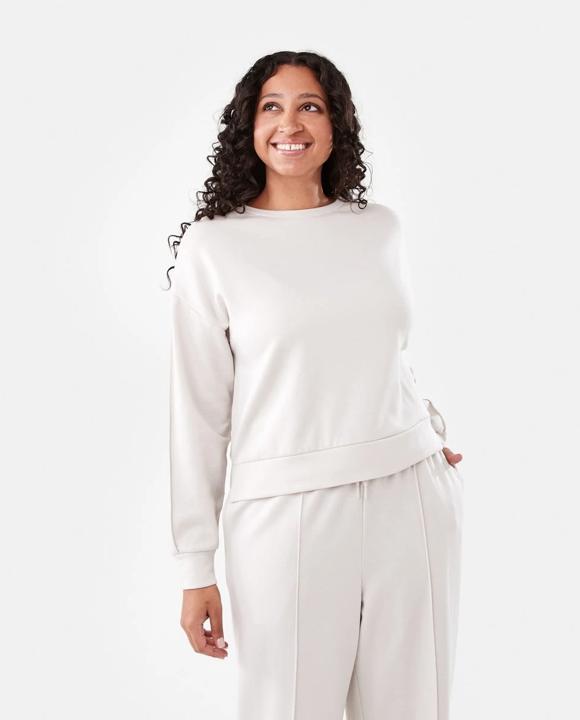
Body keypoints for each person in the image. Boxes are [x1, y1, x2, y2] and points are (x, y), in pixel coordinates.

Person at [165, 50, 465, 720]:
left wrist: (425, 427)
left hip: (410, 493)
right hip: (283, 510)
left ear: (337, 125)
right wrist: (195, 565)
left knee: (414, 707)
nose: (290, 123)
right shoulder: (215, 247)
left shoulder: (378, 227)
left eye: (310, 106)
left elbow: (378, 349)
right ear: (248, 125)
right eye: (271, 106)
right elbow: (199, 414)